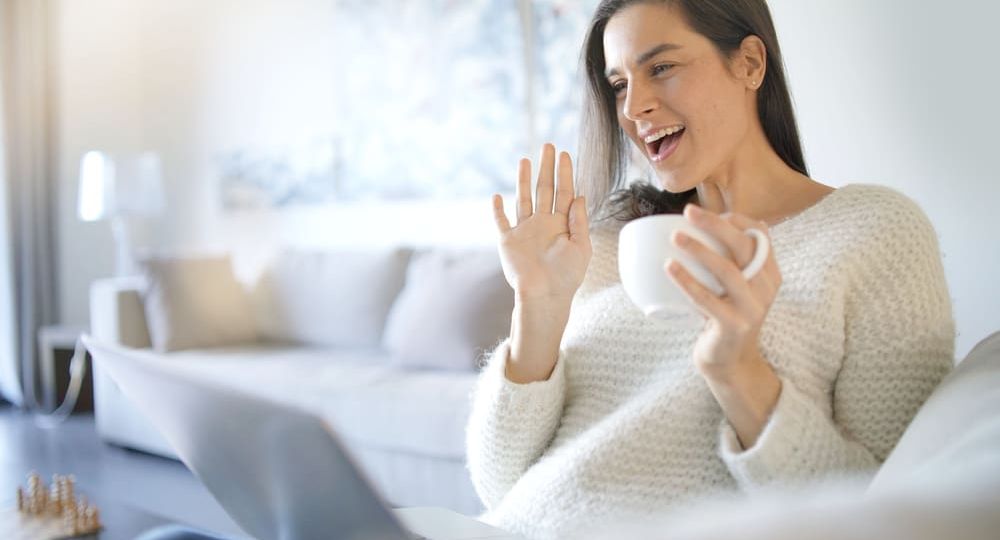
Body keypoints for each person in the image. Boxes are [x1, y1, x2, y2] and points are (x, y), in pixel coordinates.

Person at [465, 1, 955, 539]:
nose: (634, 108)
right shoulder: (608, 242)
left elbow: (878, 507)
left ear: (749, 63)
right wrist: (538, 306)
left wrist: (737, 369)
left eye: (661, 68)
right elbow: (498, 482)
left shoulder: (874, 233)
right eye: (620, 84)